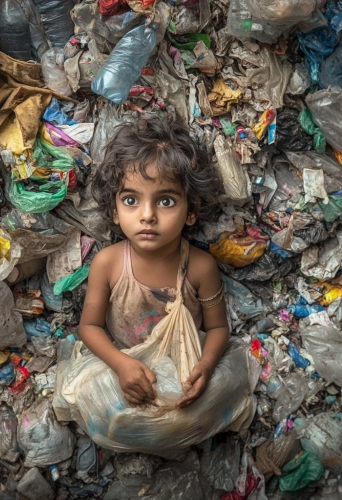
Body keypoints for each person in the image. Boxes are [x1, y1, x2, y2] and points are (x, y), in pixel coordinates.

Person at [79, 115, 229, 410]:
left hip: (183, 370)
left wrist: (206, 367)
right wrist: (122, 365)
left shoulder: (200, 267)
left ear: (191, 211)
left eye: (166, 201)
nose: (147, 215)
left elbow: (217, 329)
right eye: (131, 201)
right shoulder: (108, 264)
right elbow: (89, 327)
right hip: (123, 364)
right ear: (114, 211)